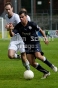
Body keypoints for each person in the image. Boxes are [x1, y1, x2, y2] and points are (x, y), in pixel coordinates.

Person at [9, 10, 58, 79]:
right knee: (31, 62)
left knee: (38, 55)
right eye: (20, 17)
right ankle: (46, 72)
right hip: (27, 45)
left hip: (35, 42)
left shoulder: (32, 24)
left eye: (22, 17)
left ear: (26, 16)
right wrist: (10, 30)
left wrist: (45, 38)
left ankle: (51, 66)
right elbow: (12, 35)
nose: (21, 19)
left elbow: (40, 30)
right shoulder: (18, 26)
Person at [4, 2, 30, 70]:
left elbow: (21, 26)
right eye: (6, 9)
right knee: (10, 55)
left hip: (21, 38)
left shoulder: (16, 16)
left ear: (12, 8)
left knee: (24, 57)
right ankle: (20, 57)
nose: (8, 11)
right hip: (14, 38)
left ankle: (28, 70)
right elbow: (10, 28)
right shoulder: (6, 16)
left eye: (9, 9)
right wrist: (8, 28)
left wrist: (11, 27)